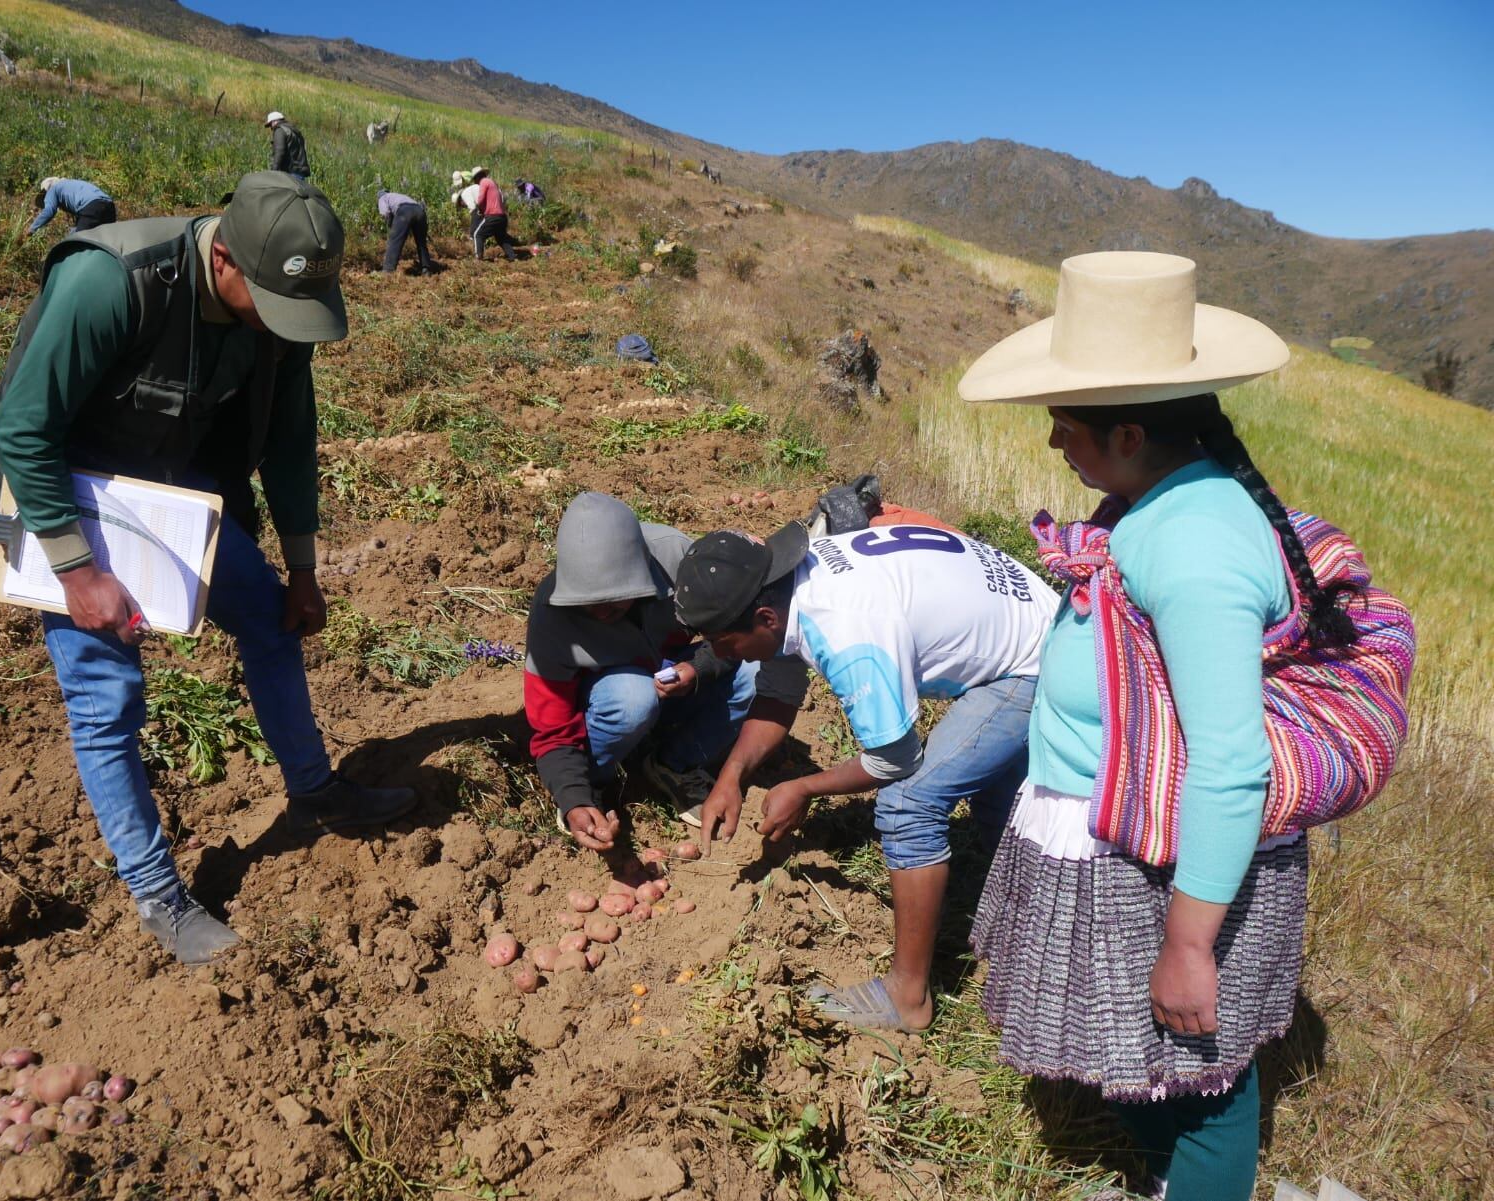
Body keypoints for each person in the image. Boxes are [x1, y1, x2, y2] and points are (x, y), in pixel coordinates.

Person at [0, 172, 415, 966]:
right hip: (66, 489)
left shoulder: (274, 308)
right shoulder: (110, 282)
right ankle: (157, 895)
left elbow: (289, 439)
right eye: (272, 304)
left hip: (168, 487)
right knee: (107, 697)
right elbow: (25, 428)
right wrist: (76, 571)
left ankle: (313, 792)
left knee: (274, 619)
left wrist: (302, 567)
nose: (284, 326)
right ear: (228, 261)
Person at [958, 251, 1309, 1201]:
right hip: (1116, 843)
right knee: (1145, 1059)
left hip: (1166, 867)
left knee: (1200, 1083)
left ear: (1125, 432)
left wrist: (1192, 941)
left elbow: (1232, 761)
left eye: (1062, 425)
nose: (1051, 444)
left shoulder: (1192, 541)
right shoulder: (1152, 506)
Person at [674, 518, 1057, 1032]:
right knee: (999, 802)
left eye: (724, 643)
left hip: (1035, 663)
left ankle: (907, 998)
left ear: (763, 616)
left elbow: (896, 760)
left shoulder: (845, 627)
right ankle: (1034, 934)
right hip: (1032, 621)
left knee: (908, 804)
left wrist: (804, 786)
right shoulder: (795, 586)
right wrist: (732, 776)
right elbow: (780, 693)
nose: (721, 656)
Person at [525, 492, 758, 853]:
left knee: (752, 668)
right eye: (589, 605)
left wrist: (699, 667)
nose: (602, 613)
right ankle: (595, 785)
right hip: (611, 699)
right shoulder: (551, 614)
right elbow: (552, 729)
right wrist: (574, 797)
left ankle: (674, 763)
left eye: (613, 600)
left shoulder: (679, 560)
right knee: (632, 699)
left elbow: (738, 634)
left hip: (670, 674)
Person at [26, 177, 116, 237]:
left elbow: (49, 211)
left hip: (92, 207)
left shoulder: (53, 189)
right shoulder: (72, 185)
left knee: (76, 244)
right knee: (104, 244)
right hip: (109, 206)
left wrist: (31, 229)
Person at [375, 186, 433, 274]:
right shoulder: (398, 196)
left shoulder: (383, 198)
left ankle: (388, 270)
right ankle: (426, 269)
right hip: (420, 211)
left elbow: (385, 213)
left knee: (394, 240)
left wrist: (392, 227)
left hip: (405, 211)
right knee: (421, 242)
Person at [467, 167, 517, 262]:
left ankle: (478, 258)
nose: (475, 182)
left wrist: (480, 209)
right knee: (501, 238)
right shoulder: (492, 183)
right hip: (502, 217)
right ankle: (512, 256)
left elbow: (480, 200)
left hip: (493, 216)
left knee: (478, 234)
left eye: (474, 179)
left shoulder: (483, 182)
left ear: (478, 177)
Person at [265, 112, 309, 180]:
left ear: (275, 122)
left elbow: (280, 151)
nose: (271, 128)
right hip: (300, 172)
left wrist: (273, 172)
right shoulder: (294, 131)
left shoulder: (280, 130)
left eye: (270, 125)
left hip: (290, 173)